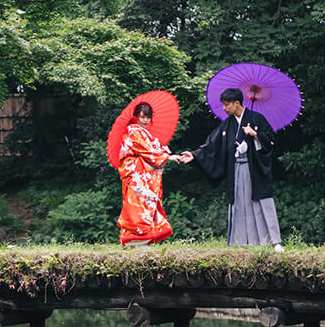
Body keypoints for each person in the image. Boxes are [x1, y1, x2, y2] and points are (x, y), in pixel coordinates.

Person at [179, 87, 284, 251]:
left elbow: (269, 142)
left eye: (227, 104)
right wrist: (194, 155)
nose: (224, 108)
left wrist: (255, 135)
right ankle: (239, 241)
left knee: (259, 201)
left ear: (237, 103)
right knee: (239, 202)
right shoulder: (227, 125)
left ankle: (273, 241)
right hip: (236, 169)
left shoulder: (257, 119)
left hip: (254, 169)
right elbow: (212, 145)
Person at [116, 101, 181, 247]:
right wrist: (167, 156)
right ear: (136, 117)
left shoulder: (143, 132)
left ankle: (142, 240)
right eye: (142, 117)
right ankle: (132, 240)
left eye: (148, 117)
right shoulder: (133, 131)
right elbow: (145, 150)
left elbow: (152, 147)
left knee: (147, 203)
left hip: (142, 173)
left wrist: (164, 150)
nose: (145, 120)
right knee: (136, 205)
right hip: (135, 174)